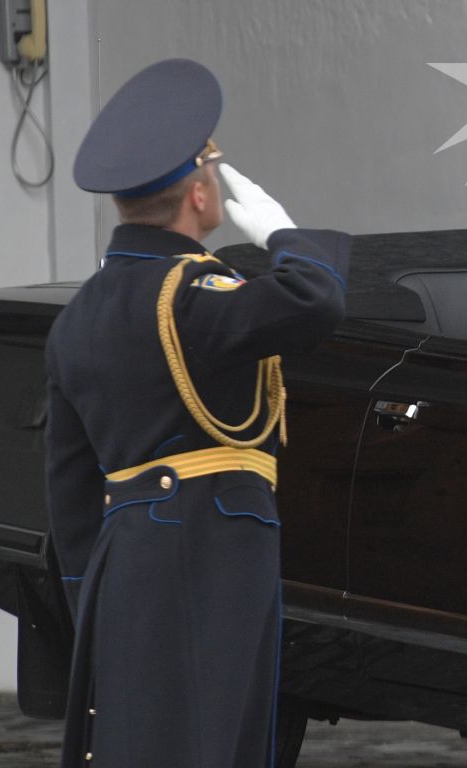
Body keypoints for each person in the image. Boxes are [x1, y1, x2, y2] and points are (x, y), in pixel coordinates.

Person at [44, 58, 351, 768]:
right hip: (207, 547)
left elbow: (67, 485)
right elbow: (316, 299)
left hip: (125, 559)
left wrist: (91, 596)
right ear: (200, 189)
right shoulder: (192, 295)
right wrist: (284, 235)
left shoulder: (78, 317)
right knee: (212, 743)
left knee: (150, 744)